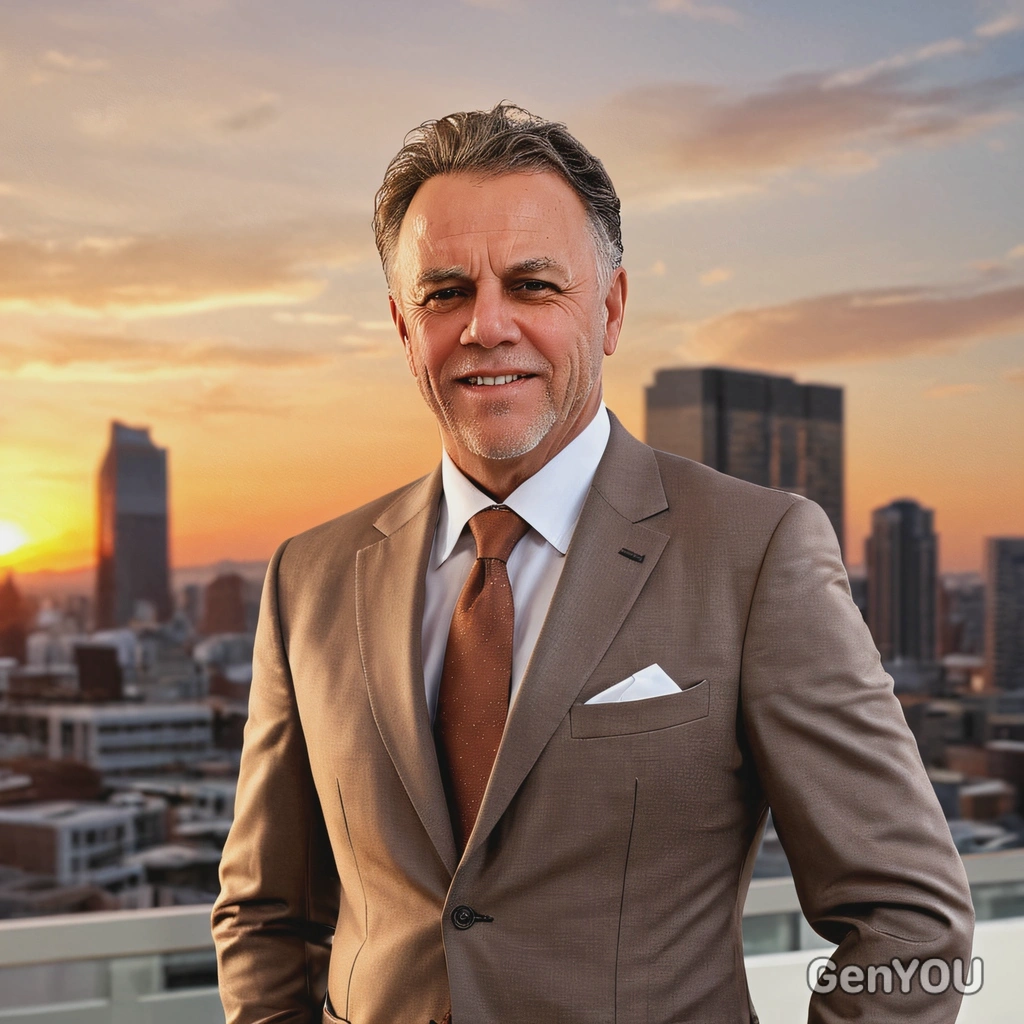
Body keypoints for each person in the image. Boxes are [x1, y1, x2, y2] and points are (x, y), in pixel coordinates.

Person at [212, 103, 974, 1024]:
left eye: (532, 286)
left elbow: (911, 925)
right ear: (402, 328)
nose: (486, 326)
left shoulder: (754, 552)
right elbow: (266, 913)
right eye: (444, 292)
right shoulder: (312, 576)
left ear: (610, 310)